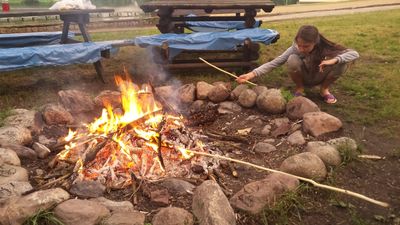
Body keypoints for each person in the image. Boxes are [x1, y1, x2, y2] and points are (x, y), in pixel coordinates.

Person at [236, 25, 359, 104]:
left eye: (306, 46)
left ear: (315, 43)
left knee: (342, 63)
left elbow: (354, 53)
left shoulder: (325, 47)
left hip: (320, 76)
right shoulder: (296, 49)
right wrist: (251, 74)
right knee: (292, 59)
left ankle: (324, 90)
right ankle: (300, 88)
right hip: (305, 76)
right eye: (299, 45)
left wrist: (334, 60)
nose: (301, 49)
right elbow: (275, 62)